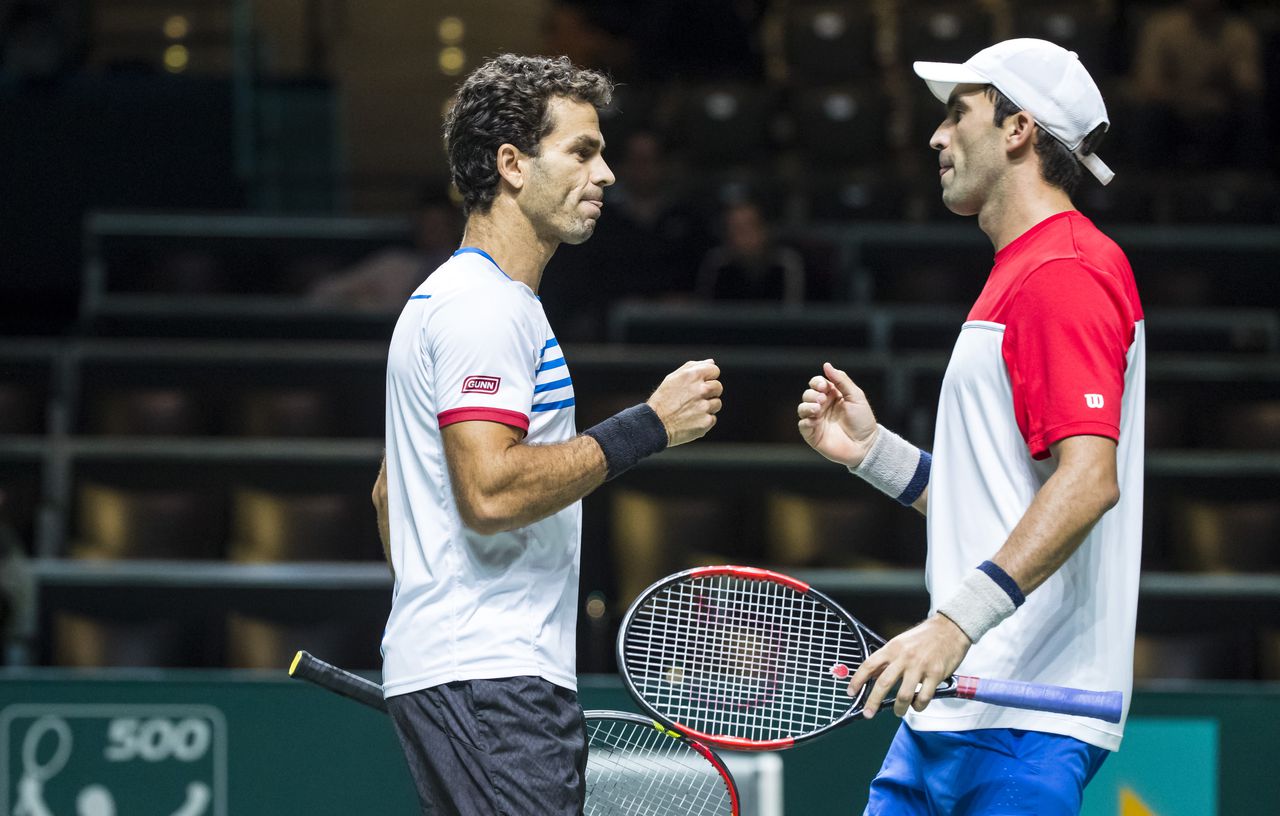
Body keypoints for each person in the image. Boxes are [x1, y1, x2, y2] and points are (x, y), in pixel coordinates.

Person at [797, 39, 1144, 814]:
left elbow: (1088, 482)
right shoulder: (1020, 271)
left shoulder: (1066, 274)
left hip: (1026, 717)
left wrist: (953, 625)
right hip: (951, 714)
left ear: (1018, 129)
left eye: (959, 114)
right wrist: (875, 455)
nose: (936, 136)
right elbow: (999, 500)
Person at [371, 54, 723, 816]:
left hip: (470, 671)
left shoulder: (463, 301)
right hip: (495, 679)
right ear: (512, 165)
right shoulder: (483, 309)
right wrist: (648, 428)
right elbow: (490, 491)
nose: (606, 176)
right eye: (582, 152)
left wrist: (435, 623)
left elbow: (390, 490)